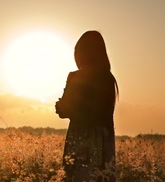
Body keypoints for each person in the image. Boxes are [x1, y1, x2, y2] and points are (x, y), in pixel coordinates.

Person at [55, 30, 119, 182]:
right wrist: (62, 108)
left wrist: (67, 110)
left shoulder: (105, 78)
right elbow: (66, 109)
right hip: (95, 138)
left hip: (87, 137)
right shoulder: (80, 76)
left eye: (79, 51)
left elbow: (99, 112)